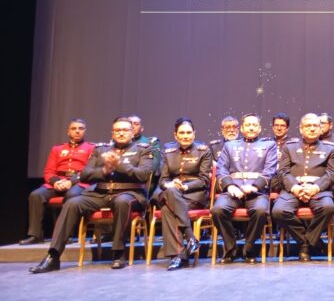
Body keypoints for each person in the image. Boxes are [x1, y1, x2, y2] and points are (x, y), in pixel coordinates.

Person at [29, 117, 154, 273]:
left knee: (122, 202)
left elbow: (143, 175)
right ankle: (53, 255)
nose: (121, 133)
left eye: (125, 130)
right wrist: (104, 171)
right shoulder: (101, 149)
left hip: (130, 192)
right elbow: (86, 174)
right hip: (101, 192)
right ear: (112, 133)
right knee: (72, 203)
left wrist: (119, 164)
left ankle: (118, 253)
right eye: (117, 130)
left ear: (132, 132)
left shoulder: (144, 149)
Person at [271, 113, 334, 262]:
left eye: (316, 126)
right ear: (301, 129)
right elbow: (282, 171)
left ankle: (305, 244)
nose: (312, 129)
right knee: (278, 211)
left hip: (318, 190)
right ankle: (311, 241)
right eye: (308, 126)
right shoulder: (289, 147)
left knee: (328, 208)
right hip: (293, 189)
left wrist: (316, 187)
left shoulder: (331, 148)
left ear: (321, 129)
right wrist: (295, 187)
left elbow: (332, 173)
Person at [211, 114, 277, 264]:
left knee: (260, 211)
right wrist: (230, 186)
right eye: (248, 125)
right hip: (233, 191)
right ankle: (231, 249)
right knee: (217, 210)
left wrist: (254, 186)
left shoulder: (269, 145)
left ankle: (249, 249)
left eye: (255, 125)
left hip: (257, 192)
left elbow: (270, 171)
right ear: (241, 128)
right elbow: (221, 170)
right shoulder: (229, 146)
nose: (251, 127)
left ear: (260, 128)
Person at [151, 118, 212, 271]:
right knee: (170, 192)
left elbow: (205, 180)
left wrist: (184, 186)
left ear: (194, 133)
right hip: (172, 192)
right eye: (182, 133)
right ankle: (190, 238)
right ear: (175, 135)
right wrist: (171, 185)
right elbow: (163, 180)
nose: (185, 136)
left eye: (189, 132)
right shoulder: (168, 151)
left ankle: (178, 256)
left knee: (167, 209)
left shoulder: (204, 151)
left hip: (194, 195)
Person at [21, 118, 95, 245]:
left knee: (71, 195)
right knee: (36, 195)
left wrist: (71, 182)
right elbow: (49, 171)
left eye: (80, 128)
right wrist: (56, 182)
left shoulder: (91, 148)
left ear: (85, 131)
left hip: (78, 182)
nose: (77, 131)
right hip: (58, 182)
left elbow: (88, 171)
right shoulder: (57, 149)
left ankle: (67, 234)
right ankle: (36, 235)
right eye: (74, 128)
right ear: (68, 131)